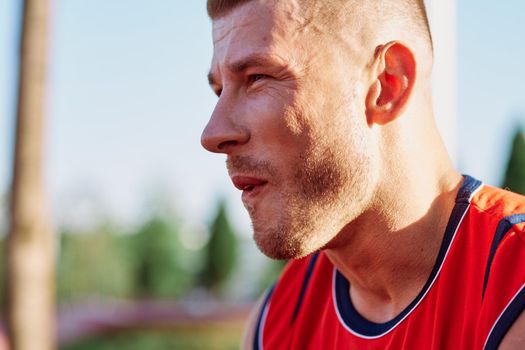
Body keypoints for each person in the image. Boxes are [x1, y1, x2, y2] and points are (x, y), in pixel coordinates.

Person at [200, 0, 525, 348]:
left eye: (257, 78)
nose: (212, 134)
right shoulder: (276, 319)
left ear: (388, 84)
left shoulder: (512, 283)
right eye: (220, 91)